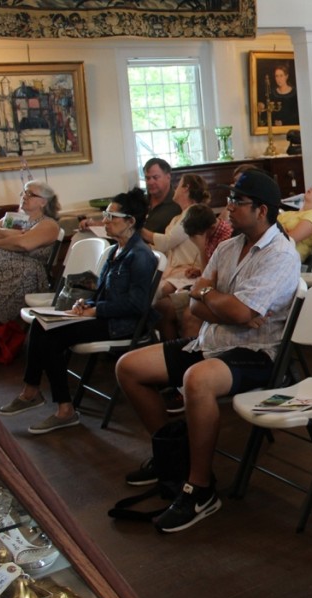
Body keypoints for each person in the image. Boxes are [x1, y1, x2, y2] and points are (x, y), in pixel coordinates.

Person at [115, 170, 300, 533]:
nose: (228, 207)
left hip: (258, 352)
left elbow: (242, 313)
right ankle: (173, 457)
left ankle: (199, 488)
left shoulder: (280, 254)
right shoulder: (230, 246)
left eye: (237, 201)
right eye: (230, 198)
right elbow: (198, 306)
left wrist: (216, 301)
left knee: (196, 379)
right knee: (128, 367)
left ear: (262, 210)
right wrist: (217, 302)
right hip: (213, 340)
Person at [0, 188, 158, 435]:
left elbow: (136, 305)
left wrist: (96, 311)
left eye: (111, 216)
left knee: (52, 337)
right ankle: (32, 391)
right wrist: (86, 305)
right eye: (105, 214)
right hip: (105, 315)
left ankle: (63, 409)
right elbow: (103, 292)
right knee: (41, 324)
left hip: (121, 324)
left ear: (130, 222)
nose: (104, 221)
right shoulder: (116, 249)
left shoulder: (140, 255)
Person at [0, 180, 61, 328]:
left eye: (30, 194)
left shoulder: (48, 224)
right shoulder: (16, 219)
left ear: (43, 202)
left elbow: (24, 244)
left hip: (18, 278)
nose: (24, 196)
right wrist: (10, 233)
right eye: (24, 192)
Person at [153, 204, 219, 342]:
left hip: (214, 292)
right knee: (161, 307)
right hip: (205, 288)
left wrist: (201, 248)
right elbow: (208, 271)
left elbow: (213, 279)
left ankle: (187, 357)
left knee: (191, 313)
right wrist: (198, 271)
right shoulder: (208, 232)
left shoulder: (223, 237)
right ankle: (170, 352)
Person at [78, 158, 178, 235]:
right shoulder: (139, 200)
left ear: (168, 177)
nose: (150, 182)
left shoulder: (177, 203)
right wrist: (93, 224)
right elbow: (118, 222)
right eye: (147, 178)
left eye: (155, 178)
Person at [143, 173, 210, 259]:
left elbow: (168, 241)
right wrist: (146, 247)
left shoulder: (193, 213)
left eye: (178, 185)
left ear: (186, 188)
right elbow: (169, 249)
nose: (175, 188)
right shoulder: (180, 216)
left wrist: (140, 230)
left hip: (187, 269)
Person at [279, 184, 312, 261]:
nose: (311, 188)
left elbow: (290, 239)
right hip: (270, 251)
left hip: (286, 257)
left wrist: (279, 228)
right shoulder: (288, 213)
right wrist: (282, 229)